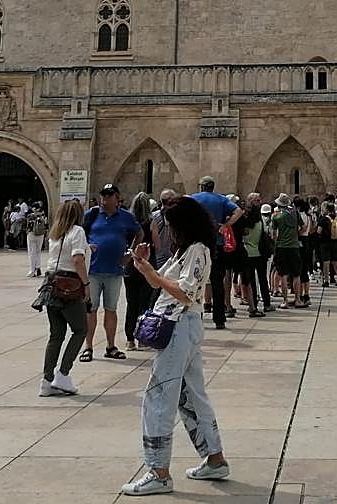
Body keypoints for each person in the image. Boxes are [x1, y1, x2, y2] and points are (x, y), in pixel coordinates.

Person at [121, 196, 231, 496]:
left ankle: (158, 471)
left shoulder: (198, 250)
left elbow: (185, 292)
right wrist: (143, 264)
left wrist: (154, 274)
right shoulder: (184, 251)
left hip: (180, 326)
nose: (168, 231)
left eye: (170, 226)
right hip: (181, 325)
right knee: (191, 396)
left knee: (159, 396)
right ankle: (215, 458)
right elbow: (158, 284)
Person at [81, 184, 142, 361]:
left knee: (111, 309)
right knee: (90, 310)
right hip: (93, 270)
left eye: (109, 196)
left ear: (117, 198)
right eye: (103, 196)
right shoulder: (92, 215)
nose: (104, 199)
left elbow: (139, 234)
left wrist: (130, 253)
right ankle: (88, 347)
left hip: (114, 271)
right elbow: (79, 233)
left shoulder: (126, 217)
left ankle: (110, 345)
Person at [40, 199, 90, 396]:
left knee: (56, 334)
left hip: (51, 284)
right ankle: (63, 374)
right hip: (69, 285)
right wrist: (86, 284)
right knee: (80, 330)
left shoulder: (55, 233)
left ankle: (46, 380)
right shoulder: (77, 231)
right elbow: (77, 260)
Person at [191, 176, 243, 329]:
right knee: (217, 281)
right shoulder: (221, 199)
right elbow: (238, 211)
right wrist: (226, 225)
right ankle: (219, 318)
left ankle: (196, 316)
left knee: (195, 282)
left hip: (199, 245)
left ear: (202, 186)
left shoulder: (194, 198)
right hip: (217, 245)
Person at [123, 192, 158, 352]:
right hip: (146, 265)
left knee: (131, 302)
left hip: (130, 264)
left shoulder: (128, 223)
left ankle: (129, 339)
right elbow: (157, 244)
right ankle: (142, 338)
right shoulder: (151, 222)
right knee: (145, 302)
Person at [272, 194, 304, 309]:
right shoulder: (295, 213)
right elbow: (302, 228)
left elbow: (274, 234)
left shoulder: (276, 216)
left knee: (283, 275)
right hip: (294, 246)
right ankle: (298, 299)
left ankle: (285, 300)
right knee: (296, 274)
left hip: (281, 247)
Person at [317, 202, 337, 287]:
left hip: (325, 243)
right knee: (335, 262)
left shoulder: (324, 219)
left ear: (327, 209)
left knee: (326, 262)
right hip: (335, 243)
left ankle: (326, 280)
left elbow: (319, 231)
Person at [26, 201, 48, 278]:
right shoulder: (43, 214)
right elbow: (46, 223)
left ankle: (32, 270)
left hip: (32, 234)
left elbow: (28, 225)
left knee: (32, 252)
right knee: (38, 252)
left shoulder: (30, 215)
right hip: (41, 234)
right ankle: (38, 269)